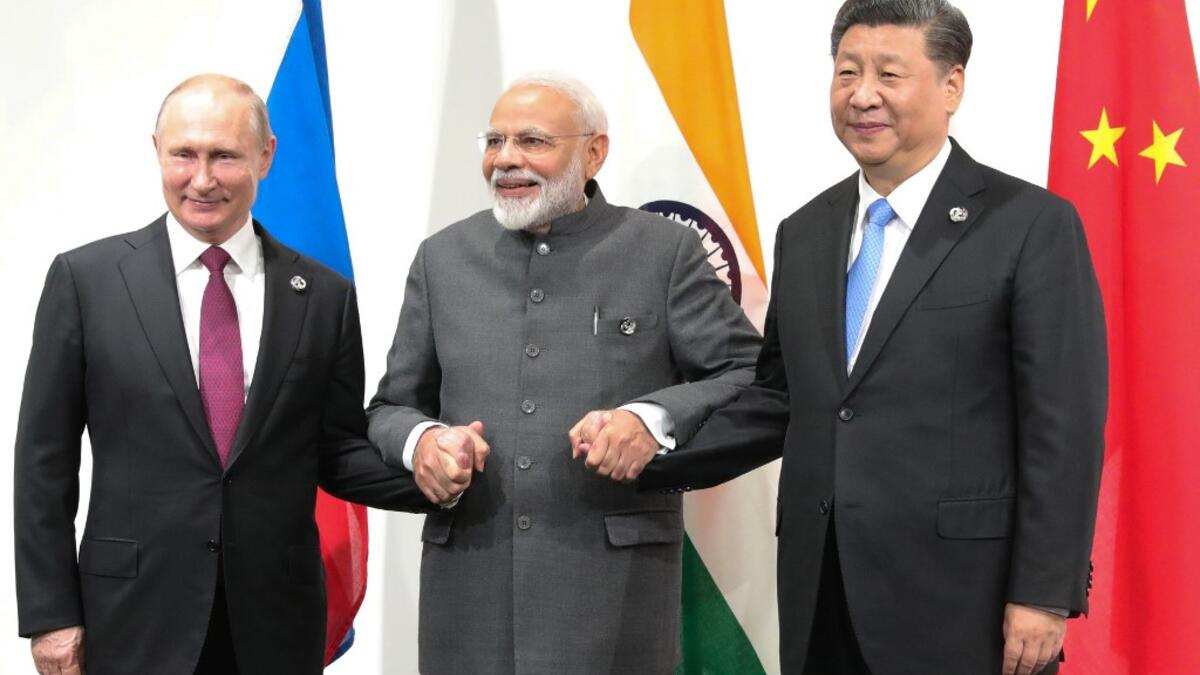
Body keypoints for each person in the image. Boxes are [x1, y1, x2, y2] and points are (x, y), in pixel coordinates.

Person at [632, 2, 1107, 673]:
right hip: (820, 588)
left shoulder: (1030, 224)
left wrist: (1044, 592)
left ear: (952, 86)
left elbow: (1063, 423)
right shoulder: (806, 232)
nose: (862, 95)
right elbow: (780, 400)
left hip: (964, 598)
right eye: (846, 72)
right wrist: (647, 438)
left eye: (889, 73)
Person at [13, 74, 437, 675]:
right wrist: (51, 614)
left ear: (266, 156)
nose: (202, 178)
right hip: (131, 616)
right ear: (157, 148)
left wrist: (441, 475)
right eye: (184, 154)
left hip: (273, 622)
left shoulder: (323, 296)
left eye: (225, 156)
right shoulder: (86, 281)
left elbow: (336, 451)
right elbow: (43, 460)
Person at [366, 73, 760, 674]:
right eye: (494, 141)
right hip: (468, 595)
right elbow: (391, 407)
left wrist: (650, 419)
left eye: (532, 141)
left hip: (613, 593)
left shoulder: (663, 252)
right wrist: (423, 442)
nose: (506, 160)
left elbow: (750, 372)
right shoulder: (442, 258)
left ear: (594, 152)